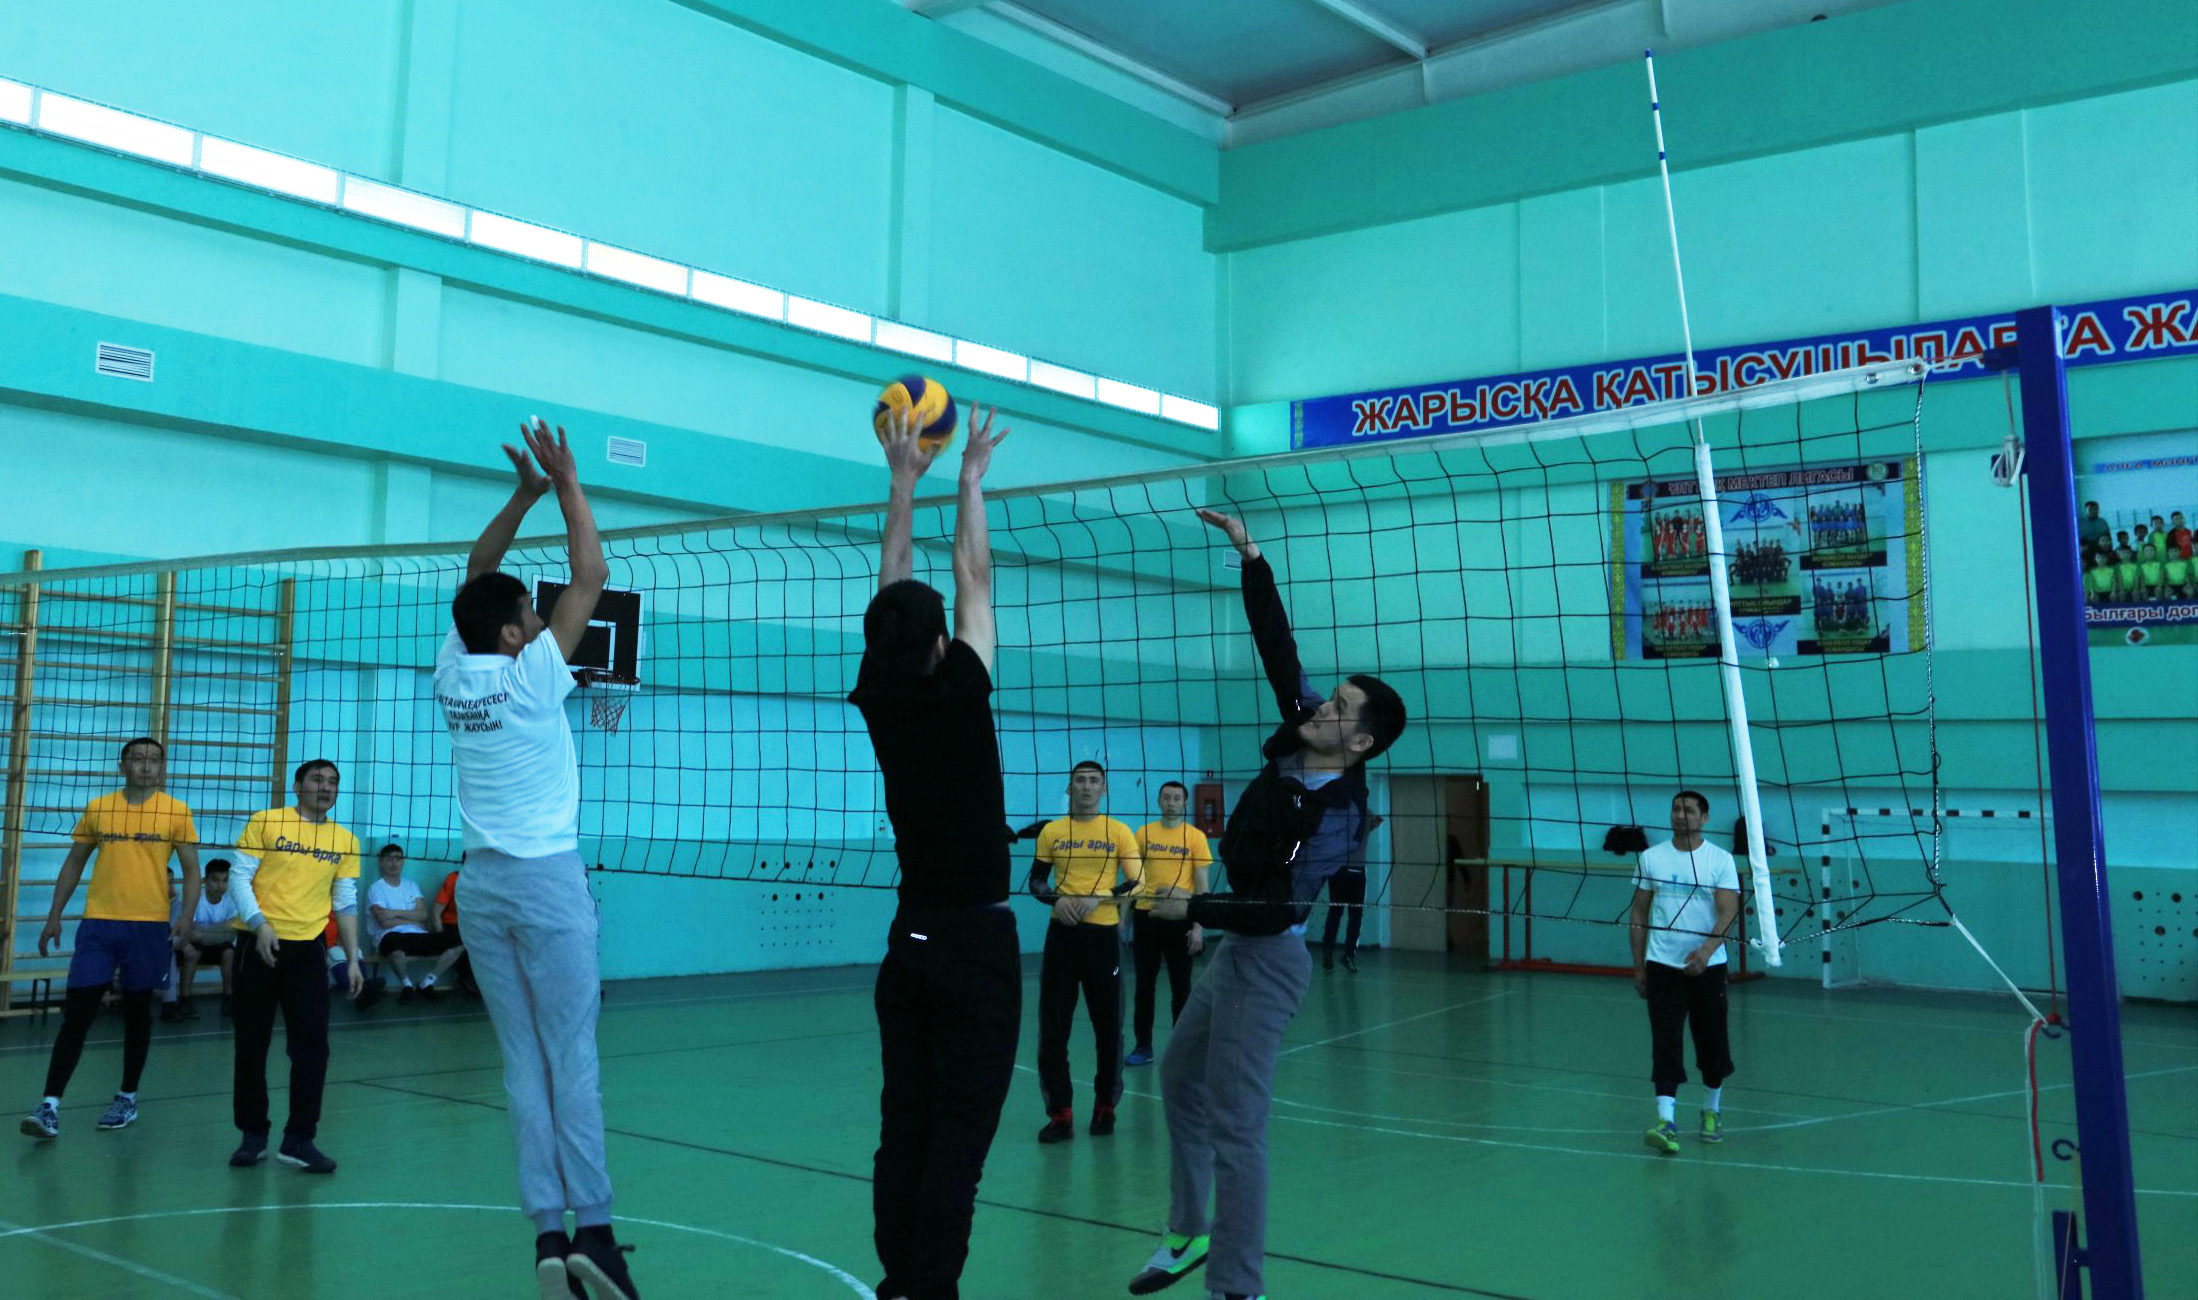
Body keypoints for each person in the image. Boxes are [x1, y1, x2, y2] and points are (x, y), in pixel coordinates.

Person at [1126, 508, 1408, 1300]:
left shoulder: (1338, 814)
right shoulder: (1305, 728)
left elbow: (1279, 910)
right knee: (1180, 1077)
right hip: (1237, 948)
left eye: (1338, 708)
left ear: (1360, 743)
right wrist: (1250, 553)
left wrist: (1193, 910)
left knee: (1236, 1122)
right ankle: (1188, 1230)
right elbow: (1277, 646)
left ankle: (1235, 1286)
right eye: (1329, 698)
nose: (1321, 707)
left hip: (1268, 955)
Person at [437, 417, 637, 1300]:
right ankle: (596, 1231)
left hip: (480, 889)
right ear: (518, 636)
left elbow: (476, 578)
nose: (536, 614)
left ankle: (549, 1239)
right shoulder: (530, 679)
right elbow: (590, 575)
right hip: (548, 884)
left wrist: (521, 496)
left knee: (523, 1063)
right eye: (530, 611)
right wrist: (564, 484)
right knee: (572, 1057)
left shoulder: (458, 671)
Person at [848, 402, 1018, 1300]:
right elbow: (973, 575)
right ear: (943, 642)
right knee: (958, 1137)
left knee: (904, 1124)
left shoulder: (880, 694)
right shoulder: (962, 687)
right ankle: (930, 1288)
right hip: (975, 945)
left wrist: (901, 483)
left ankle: (900, 1281)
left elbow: (900, 589)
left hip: (908, 938)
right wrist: (969, 478)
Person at [19, 737, 200, 1140]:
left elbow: (191, 870)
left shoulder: (176, 811)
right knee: (78, 1014)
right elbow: (74, 862)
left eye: (154, 760)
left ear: (162, 768)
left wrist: (186, 917)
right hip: (99, 925)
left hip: (148, 927)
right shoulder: (99, 807)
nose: (146, 766)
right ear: (122, 766)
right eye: (137, 759)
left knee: (137, 1014)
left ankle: (127, 1097)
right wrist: (53, 915)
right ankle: (49, 1106)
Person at [227, 759, 365, 1173]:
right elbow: (238, 878)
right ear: (297, 785)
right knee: (251, 1044)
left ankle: (299, 1139)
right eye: (318, 780)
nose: (326, 787)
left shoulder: (345, 840)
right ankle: (253, 1135)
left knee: (312, 1048)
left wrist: (353, 958)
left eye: (333, 782)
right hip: (258, 943)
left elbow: (345, 901)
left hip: (307, 951)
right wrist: (260, 924)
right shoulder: (266, 822)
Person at [1027, 761, 1143, 1143]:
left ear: (1104, 789)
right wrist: (1056, 900)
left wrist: (1100, 897)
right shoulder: (1053, 831)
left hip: (1103, 939)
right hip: (1062, 937)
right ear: (1070, 787)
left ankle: (1105, 1107)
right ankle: (1060, 1114)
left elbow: (1138, 882)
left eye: (1094, 781)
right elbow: (1036, 880)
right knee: (1053, 1029)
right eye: (1080, 780)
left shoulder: (1118, 831)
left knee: (1108, 1027)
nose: (1087, 786)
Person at [1629, 790, 1740, 1156]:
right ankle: (1666, 1121)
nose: (1680, 815)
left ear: (1704, 817)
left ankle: (1711, 1111)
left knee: (1712, 1043)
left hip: (1709, 968)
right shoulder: (1651, 858)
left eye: (1689, 810)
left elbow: (1728, 911)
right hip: (1662, 966)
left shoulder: (1719, 860)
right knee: (1665, 1043)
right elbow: (1639, 913)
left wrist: (1706, 952)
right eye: (1676, 809)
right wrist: (1639, 965)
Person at [1127, 782, 1210, 1068]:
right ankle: (1143, 1046)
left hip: (1179, 918)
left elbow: (1202, 886)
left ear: (1185, 803)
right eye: (1166, 798)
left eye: (1176, 798)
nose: (1171, 802)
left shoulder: (1196, 837)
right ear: (1159, 801)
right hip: (1146, 916)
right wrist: (1122, 918)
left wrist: (1198, 927)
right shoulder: (1143, 833)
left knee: (1181, 987)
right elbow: (1133, 879)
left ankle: (1181, 1049)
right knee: (1144, 986)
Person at [366, 844, 466, 1000]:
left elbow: (424, 915)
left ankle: (427, 982)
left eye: (398, 858)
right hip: (389, 935)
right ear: (381, 862)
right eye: (389, 859)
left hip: (417, 934)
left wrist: (394, 913)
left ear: (403, 861)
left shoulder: (411, 885)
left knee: (459, 941)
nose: (394, 863)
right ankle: (407, 985)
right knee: (394, 946)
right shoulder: (376, 888)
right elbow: (383, 922)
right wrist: (412, 919)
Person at [175, 858, 239, 1017]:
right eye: (216, 880)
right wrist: (220, 930)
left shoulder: (230, 901)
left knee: (230, 952)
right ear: (206, 881)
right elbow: (189, 933)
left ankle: (228, 999)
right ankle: (184, 1000)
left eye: (225, 880)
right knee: (193, 951)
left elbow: (231, 934)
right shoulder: (195, 899)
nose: (221, 885)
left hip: (214, 946)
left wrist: (201, 933)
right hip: (195, 947)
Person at [1320, 814, 1383, 972]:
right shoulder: (1365, 813)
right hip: (1356, 870)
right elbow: (1372, 824)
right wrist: (1374, 823)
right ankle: (1348, 954)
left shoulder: (1336, 812)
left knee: (1335, 911)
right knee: (1355, 914)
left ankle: (1328, 952)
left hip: (1337, 869)